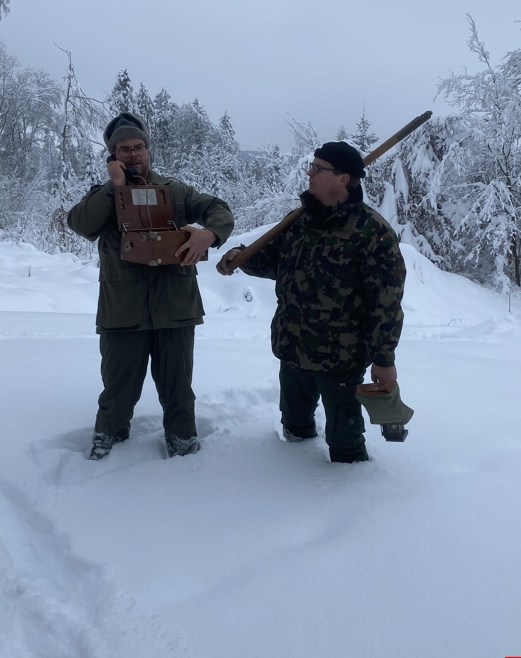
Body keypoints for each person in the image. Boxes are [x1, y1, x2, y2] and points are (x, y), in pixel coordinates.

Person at [217, 141, 405, 463]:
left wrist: (384, 358)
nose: (309, 173)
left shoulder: (372, 233)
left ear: (343, 179)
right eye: (311, 166)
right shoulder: (300, 221)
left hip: (339, 358)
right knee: (294, 427)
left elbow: (385, 303)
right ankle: (294, 475)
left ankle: (353, 501)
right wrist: (241, 257)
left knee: (345, 443)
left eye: (318, 169)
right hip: (292, 348)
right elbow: (276, 260)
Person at [67, 112, 235, 460]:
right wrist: (114, 188)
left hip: (174, 306)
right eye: (124, 149)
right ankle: (108, 433)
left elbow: (218, 209)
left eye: (139, 147)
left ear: (148, 149)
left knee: (177, 386)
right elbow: (81, 224)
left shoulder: (173, 191)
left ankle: (182, 439)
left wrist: (209, 234)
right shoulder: (104, 196)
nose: (133, 154)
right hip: (123, 308)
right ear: (112, 155)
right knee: (119, 385)